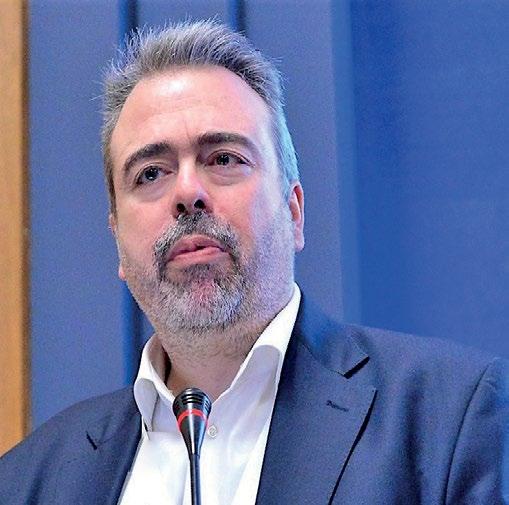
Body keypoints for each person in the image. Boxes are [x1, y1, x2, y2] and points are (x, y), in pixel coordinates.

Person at [0, 19, 507, 505]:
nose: (187, 192)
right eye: (151, 173)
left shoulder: (450, 420)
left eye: (224, 159)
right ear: (117, 240)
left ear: (294, 212)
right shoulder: (28, 481)